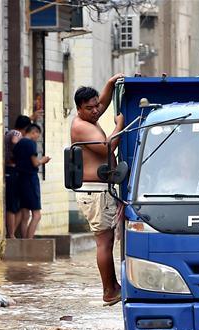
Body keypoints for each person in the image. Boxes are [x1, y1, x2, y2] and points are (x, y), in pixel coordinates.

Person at [70, 73, 127, 306]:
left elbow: (102, 103)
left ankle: (114, 287)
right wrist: (120, 124)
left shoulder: (90, 118)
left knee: (107, 241)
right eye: (89, 108)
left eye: (96, 106)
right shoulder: (81, 126)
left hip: (100, 190)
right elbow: (107, 148)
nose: (96, 111)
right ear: (79, 109)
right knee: (104, 242)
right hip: (94, 192)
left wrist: (110, 84)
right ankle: (109, 291)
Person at [14, 123, 50, 239]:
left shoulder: (19, 143)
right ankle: (30, 241)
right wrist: (43, 160)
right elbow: (35, 162)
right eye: (37, 135)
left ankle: (24, 242)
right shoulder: (30, 144)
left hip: (20, 179)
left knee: (25, 214)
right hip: (30, 179)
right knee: (36, 215)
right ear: (34, 132)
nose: (37, 138)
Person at [4, 115, 30, 238]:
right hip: (12, 170)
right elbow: (15, 140)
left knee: (17, 205)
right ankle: (11, 234)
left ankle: (12, 233)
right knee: (13, 205)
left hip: (10, 170)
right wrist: (21, 149)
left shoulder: (8, 132)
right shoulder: (16, 133)